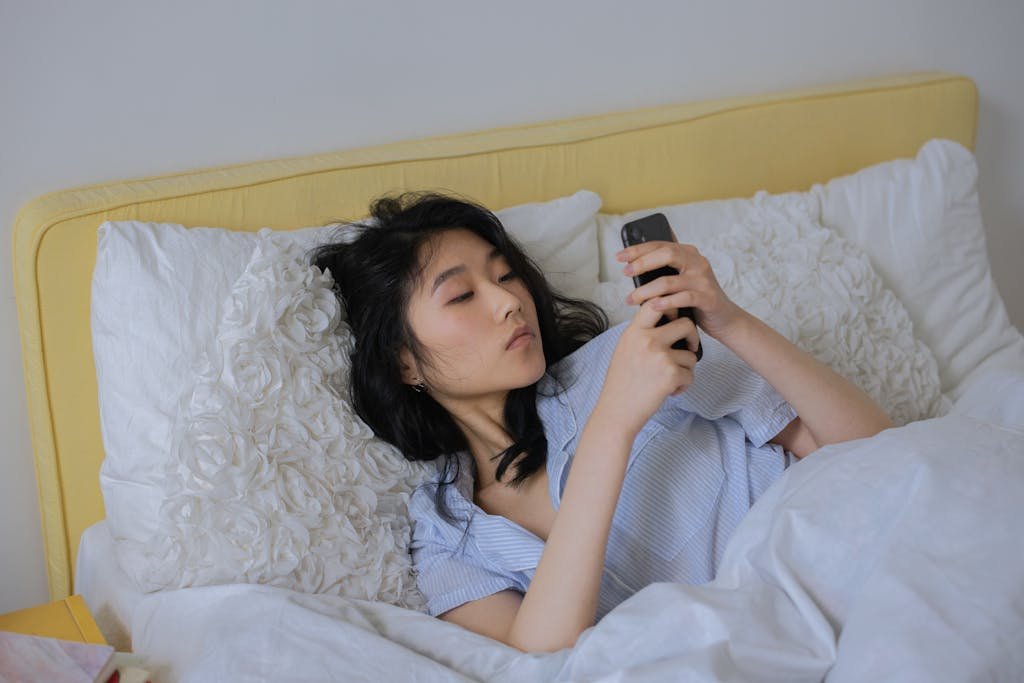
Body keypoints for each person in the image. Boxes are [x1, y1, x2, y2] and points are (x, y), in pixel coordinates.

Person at [310, 191, 891, 653]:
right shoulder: (445, 534)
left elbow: (876, 451)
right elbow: (541, 659)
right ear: (404, 363)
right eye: (462, 295)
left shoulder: (636, 355)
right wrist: (613, 425)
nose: (509, 301)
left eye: (506, 276)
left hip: (852, 575)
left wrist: (729, 322)